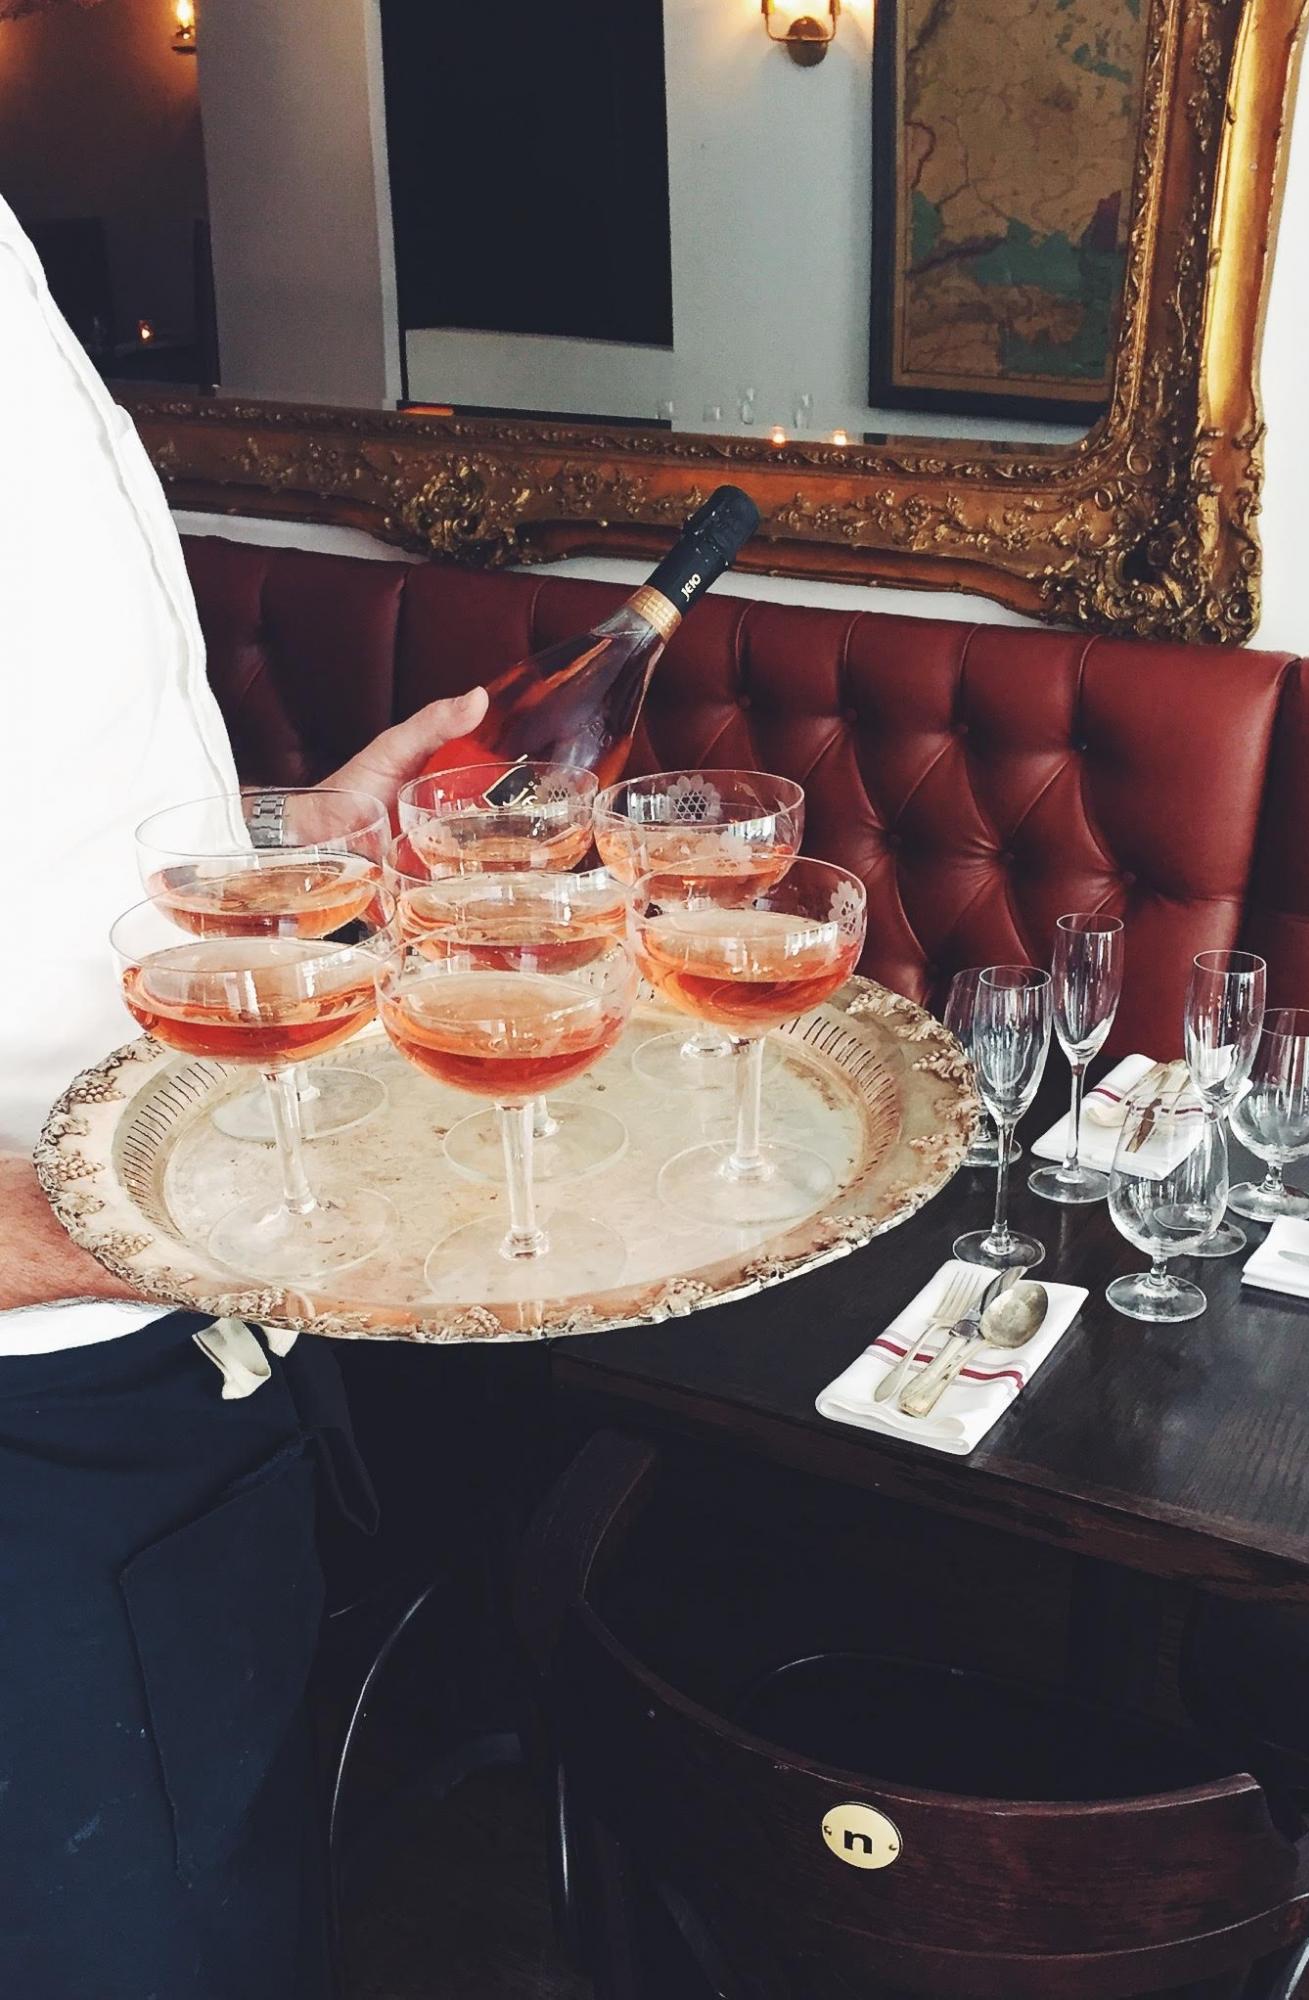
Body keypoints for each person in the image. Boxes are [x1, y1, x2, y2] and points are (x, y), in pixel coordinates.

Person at [0, 191, 487, 1996]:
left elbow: (51, 802)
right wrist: (132, 1224)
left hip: (183, 1366)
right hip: (43, 1423)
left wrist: (282, 842)